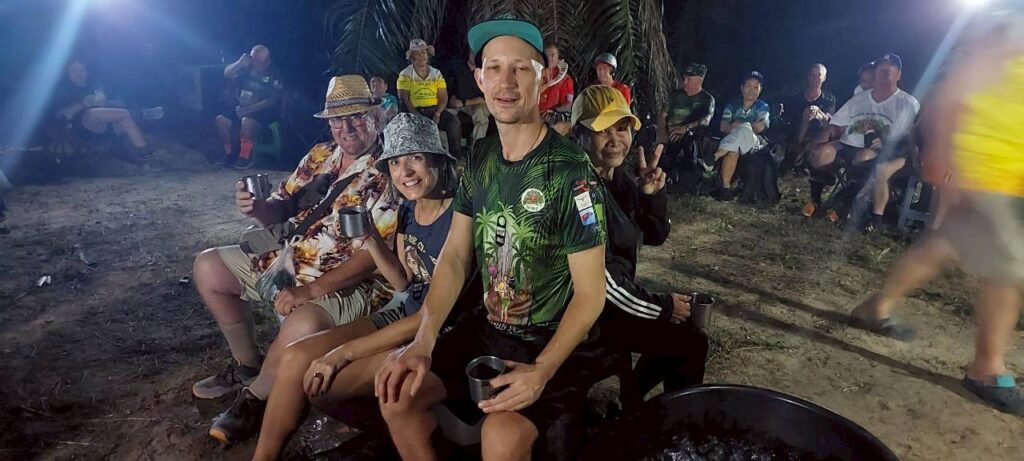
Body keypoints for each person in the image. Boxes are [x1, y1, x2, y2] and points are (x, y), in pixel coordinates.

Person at [375, 15, 609, 460]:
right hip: (490, 332)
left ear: (545, 77)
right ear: (479, 79)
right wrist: (423, 339)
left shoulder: (569, 171)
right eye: (495, 68)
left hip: (550, 342)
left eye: (521, 68)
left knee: (501, 438)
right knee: (399, 394)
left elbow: (590, 294)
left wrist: (541, 371)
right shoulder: (480, 157)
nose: (507, 82)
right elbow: (455, 257)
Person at [194, 75, 400, 443]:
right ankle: (247, 363)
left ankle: (257, 397)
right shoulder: (320, 155)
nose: (347, 128)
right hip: (291, 260)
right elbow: (282, 206)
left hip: (347, 281)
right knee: (208, 267)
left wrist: (311, 291)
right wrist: (256, 207)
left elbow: (372, 257)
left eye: (356, 117)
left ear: (375, 116)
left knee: (302, 322)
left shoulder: (389, 170)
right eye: (337, 120)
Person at [250, 113, 462, 460]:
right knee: (295, 358)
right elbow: (403, 282)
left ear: (438, 160)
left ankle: (397, 436)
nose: (405, 172)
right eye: (396, 162)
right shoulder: (408, 209)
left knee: (321, 378)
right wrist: (371, 237)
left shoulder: (459, 218)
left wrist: (343, 352)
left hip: (435, 327)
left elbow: (431, 313)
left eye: (416, 158)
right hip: (404, 312)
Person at [853, 13, 1024, 414]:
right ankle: (986, 368)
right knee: (1009, 267)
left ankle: (877, 306)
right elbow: (949, 93)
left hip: (1006, 177)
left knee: (942, 246)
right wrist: (939, 153)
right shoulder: (1012, 29)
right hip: (982, 167)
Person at [570, 85, 709, 402]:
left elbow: (656, 235)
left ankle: (630, 404)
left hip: (610, 304)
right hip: (586, 316)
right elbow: (597, 279)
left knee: (687, 337)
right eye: (602, 130)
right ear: (580, 134)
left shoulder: (616, 178)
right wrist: (662, 306)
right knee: (688, 339)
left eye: (622, 128)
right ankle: (654, 414)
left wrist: (651, 196)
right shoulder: (579, 188)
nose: (615, 139)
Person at [803, 54, 920, 221]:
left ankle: (844, 205)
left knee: (863, 157)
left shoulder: (907, 102)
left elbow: (905, 134)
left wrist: (886, 141)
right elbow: (837, 124)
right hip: (847, 143)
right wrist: (824, 136)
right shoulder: (860, 98)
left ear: (899, 75)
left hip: (876, 150)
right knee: (821, 154)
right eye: (880, 70)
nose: (883, 74)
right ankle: (815, 201)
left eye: (888, 71)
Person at [51, 59, 163, 166]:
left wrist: (106, 102)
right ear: (68, 74)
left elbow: (120, 104)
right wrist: (84, 103)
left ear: (87, 72)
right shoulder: (64, 92)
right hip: (84, 130)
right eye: (73, 71)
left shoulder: (95, 87)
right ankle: (141, 114)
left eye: (81, 70)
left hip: (108, 127)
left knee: (126, 121)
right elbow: (61, 114)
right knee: (91, 113)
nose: (78, 74)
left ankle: (147, 156)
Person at [214, 45, 284, 170]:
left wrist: (249, 110)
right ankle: (229, 153)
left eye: (258, 62)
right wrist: (240, 63)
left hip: (263, 109)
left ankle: (245, 156)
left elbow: (273, 100)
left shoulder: (273, 73)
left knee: (247, 122)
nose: (254, 64)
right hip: (242, 106)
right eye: (253, 60)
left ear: (267, 61)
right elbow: (227, 74)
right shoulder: (245, 68)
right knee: (221, 120)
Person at [708, 71, 771, 200]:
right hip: (733, 142)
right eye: (748, 86)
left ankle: (715, 156)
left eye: (756, 87)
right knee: (733, 151)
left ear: (760, 89)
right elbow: (723, 127)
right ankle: (726, 189)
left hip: (753, 142)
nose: (752, 90)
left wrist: (739, 125)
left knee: (745, 128)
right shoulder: (732, 105)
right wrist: (740, 126)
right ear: (742, 88)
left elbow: (760, 127)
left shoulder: (763, 106)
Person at [397, 39, 462, 159]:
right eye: (417, 54)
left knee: (454, 122)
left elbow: (443, 97)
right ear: (412, 57)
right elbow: (404, 99)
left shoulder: (436, 73)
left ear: (428, 55)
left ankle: (456, 158)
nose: (421, 56)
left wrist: (437, 114)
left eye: (423, 52)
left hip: (434, 110)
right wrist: (417, 116)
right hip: (414, 111)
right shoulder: (405, 74)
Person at [657, 63, 715, 186]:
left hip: (690, 135)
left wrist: (685, 128)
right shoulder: (675, 95)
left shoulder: (707, 99)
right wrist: (663, 133)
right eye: (684, 79)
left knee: (689, 141)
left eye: (689, 80)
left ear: (700, 80)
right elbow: (662, 116)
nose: (684, 83)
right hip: (669, 132)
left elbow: (706, 120)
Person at [781, 64, 836, 173]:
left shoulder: (829, 99)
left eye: (818, 75)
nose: (815, 78)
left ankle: (801, 159)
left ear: (824, 78)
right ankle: (797, 153)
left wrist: (818, 113)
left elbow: (829, 122)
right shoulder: (796, 98)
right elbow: (788, 120)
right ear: (808, 76)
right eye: (812, 75)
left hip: (818, 137)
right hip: (796, 136)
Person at [447, 51, 492, 145]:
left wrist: (464, 102)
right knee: (446, 115)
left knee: (481, 116)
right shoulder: (458, 67)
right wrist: (451, 100)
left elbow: (488, 97)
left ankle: (476, 148)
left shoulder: (485, 72)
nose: (474, 56)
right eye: (472, 53)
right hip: (458, 102)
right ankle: (454, 150)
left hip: (477, 103)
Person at [539, 44, 575, 135]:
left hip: (553, 121)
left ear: (558, 56)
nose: (549, 58)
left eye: (552, 55)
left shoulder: (565, 80)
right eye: (547, 55)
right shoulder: (536, 75)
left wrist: (552, 113)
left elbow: (567, 106)